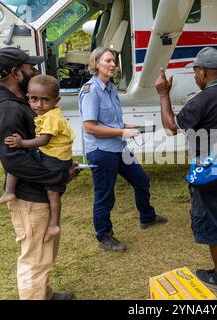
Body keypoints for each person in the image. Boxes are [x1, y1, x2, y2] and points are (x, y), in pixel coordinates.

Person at [155, 47, 217, 293]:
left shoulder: (200, 100)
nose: (195, 77)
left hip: (212, 171)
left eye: (195, 72)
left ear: (203, 72)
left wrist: (163, 94)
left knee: (213, 220)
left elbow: (170, 126)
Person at [0, 47, 78, 300]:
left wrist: (62, 162)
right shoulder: (7, 109)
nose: (35, 71)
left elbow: (42, 145)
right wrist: (58, 177)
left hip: (37, 191)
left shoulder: (22, 104)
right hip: (30, 196)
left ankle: (44, 294)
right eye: (30, 68)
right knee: (35, 260)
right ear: (16, 73)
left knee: (43, 254)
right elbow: (13, 159)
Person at [79, 47, 167, 253]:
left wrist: (126, 126)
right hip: (101, 151)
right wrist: (121, 133)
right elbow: (90, 126)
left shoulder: (110, 88)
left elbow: (110, 122)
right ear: (95, 64)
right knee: (105, 195)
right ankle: (104, 236)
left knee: (141, 180)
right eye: (107, 61)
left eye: (114, 61)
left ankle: (147, 217)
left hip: (118, 147)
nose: (112, 65)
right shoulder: (91, 91)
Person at [0, 74, 74, 243]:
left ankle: (54, 224)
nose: (39, 104)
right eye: (34, 99)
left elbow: (43, 140)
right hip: (51, 154)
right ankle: (10, 192)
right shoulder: (46, 114)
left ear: (57, 100)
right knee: (18, 163)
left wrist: (21, 142)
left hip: (54, 158)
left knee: (52, 192)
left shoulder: (53, 117)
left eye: (45, 100)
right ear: (28, 97)